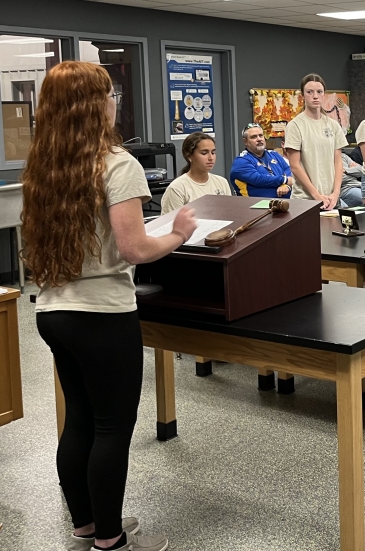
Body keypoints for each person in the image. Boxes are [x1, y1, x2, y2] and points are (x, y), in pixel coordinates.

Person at [22, 61, 197, 551]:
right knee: (112, 427)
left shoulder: (46, 165)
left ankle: (85, 524)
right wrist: (179, 233)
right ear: (96, 105)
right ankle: (110, 539)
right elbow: (134, 249)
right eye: (110, 95)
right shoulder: (117, 164)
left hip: (53, 311)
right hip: (102, 313)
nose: (114, 102)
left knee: (78, 417)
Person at [285, 73, 348, 211]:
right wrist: (316, 195)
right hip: (306, 200)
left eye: (319, 92)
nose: (315, 96)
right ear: (302, 96)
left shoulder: (333, 125)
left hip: (331, 198)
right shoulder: (295, 125)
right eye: (310, 92)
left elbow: (338, 161)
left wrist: (336, 193)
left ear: (324, 94)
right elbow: (295, 165)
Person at [160, 132, 232, 214]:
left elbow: (228, 214)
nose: (211, 158)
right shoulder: (177, 188)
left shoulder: (222, 182)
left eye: (213, 153)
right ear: (189, 156)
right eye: (204, 153)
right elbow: (169, 223)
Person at [229, 123, 294, 198]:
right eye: (254, 137)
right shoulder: (241, 161)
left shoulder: (274, 154)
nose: (259, 139)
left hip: (287, 203)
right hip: (256, 206)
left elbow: (289, 170)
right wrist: (284, 180)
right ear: (245, 141)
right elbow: (258, 179)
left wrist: (286, 186)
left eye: (261, 135)